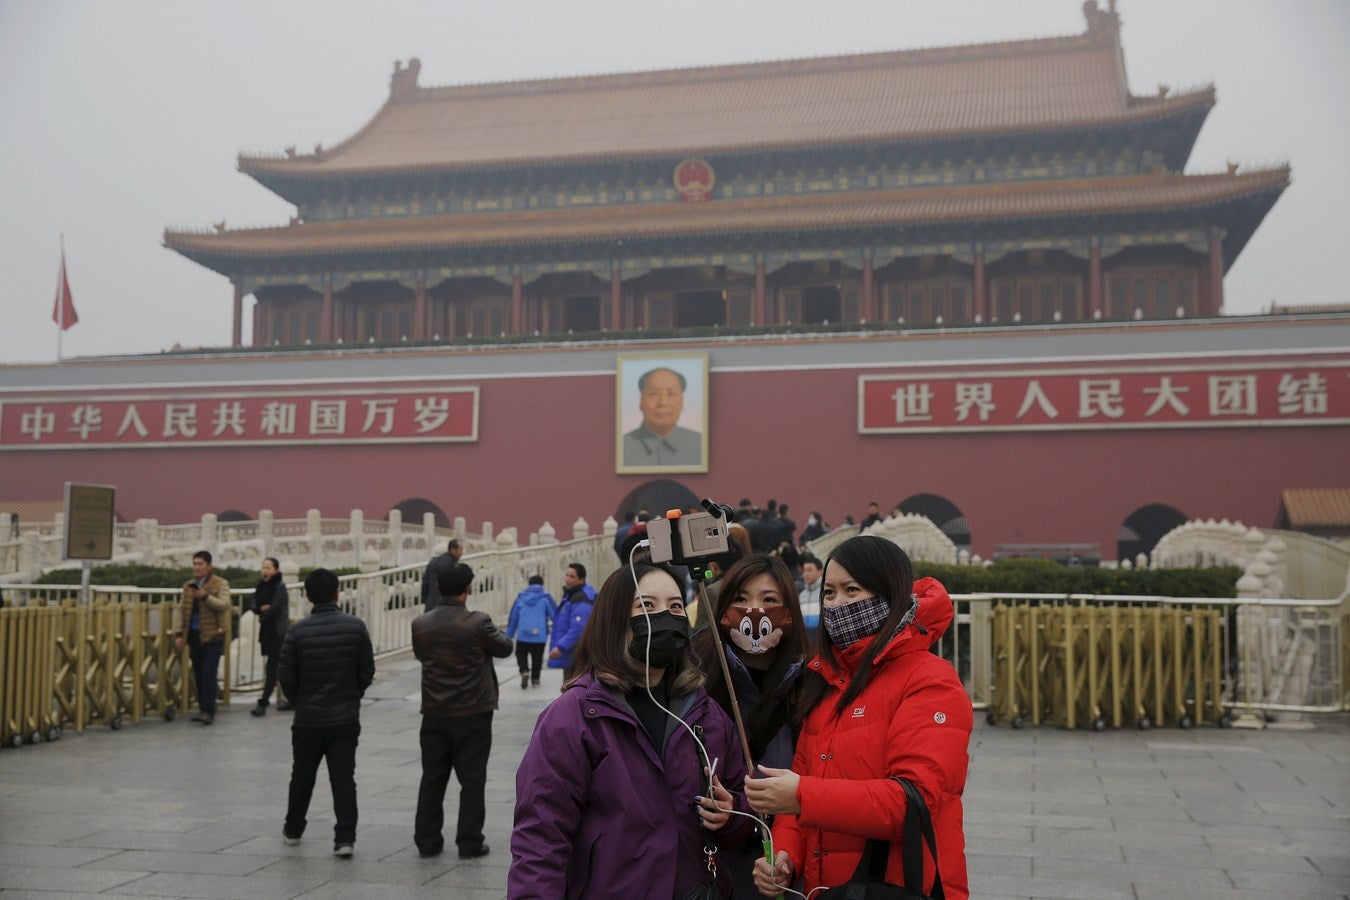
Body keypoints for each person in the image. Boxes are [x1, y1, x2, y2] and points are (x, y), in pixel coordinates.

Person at [745, 536, 972, 898]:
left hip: (900, 887)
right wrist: (786, 858)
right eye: (829, 593)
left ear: (891, 594)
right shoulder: (826, 681)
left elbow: (912, 803)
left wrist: (803, 796)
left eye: (852, 590)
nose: (837, 604)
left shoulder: (930, 680)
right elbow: (800, 792)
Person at [509, 562, 753, 898]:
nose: (664, 616)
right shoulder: (575, 716)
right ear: (615, 619)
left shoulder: (706, 714)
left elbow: (744, 807)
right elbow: (539, 839)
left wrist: (730, 815)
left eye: (675, 606)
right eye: (646, 606)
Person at [689, 554, 807, 898]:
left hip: (788, 849)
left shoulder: (812, 679)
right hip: (716, 856)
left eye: (769, 599)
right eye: (741, 599)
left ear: (789, 610)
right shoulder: (696, 675)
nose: (754, 610)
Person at [412, 563, 514, 859]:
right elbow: (505, 647)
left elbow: (422, 655)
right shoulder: (478, 622)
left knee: (432, 777)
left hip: (434, 711)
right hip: (473, 711)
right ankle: (469, 842)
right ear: (467, 588)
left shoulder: (420, 623)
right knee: (472, 779)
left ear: (438, 588)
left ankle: (427, 841)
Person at [278, 568, 376, 858]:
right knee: (344, 778)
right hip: (345, 717)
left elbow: (286, 676)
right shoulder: (356, 627)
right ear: (337, 593)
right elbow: (366, 671)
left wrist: (300, 702)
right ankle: (345, 838)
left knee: (302, 775)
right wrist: (352, 695)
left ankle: (293, 829)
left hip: (307, 718)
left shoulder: (297, 631)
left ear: (307, 595)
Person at [175, 550, 231, 726]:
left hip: (213, 635)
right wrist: (179, 634)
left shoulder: (220, 583)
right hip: (194, 635)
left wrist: (205, 597)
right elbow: (181, 611)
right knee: (198, 673)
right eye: (195, 564)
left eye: (200, 564)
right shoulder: (188, 586)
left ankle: (208, 710)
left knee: (208, 672)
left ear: (209, 566)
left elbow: (224, 605)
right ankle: (203, 708)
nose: (197, 567)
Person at [621, 366, 703, 467]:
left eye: (671, 394)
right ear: (641, 402)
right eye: (653, 394)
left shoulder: (701, 445)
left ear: (682, 403)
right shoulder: (621, 448)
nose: (663, 402)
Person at [250, 556, 290, 716]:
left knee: (273, 667)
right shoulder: (261, 586)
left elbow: (275, 608)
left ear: (276, 570)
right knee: (277, 667)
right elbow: (254, 605)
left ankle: (264, 702)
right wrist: (262, 609)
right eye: (263, 567)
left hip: (277, 632)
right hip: (267, 631)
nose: (265, 571)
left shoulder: (279, 587)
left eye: (268, 568)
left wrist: (264, 609)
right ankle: (291, 698)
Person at [547, 562, 595, 680]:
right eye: (567, 575)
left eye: (572, 576)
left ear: (581, 580)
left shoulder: (581, 599)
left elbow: (578, 629)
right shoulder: (571, 596)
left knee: (571, 689)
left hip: (576, 655)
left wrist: (560, 647)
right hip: (571, 655)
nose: (567, 579)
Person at [506, 574, 555, 689]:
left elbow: (514, 617)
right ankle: (535, 680)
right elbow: (555, 615)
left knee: (520, 654)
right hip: (540, 636)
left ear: (529, 585)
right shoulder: (546, 598)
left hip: (523, 635)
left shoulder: (521, 597)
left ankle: (524, 671)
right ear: (542, 585)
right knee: (537, 658)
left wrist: (509, 635)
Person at [422, 539, 463, 612]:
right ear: (453, 550)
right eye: (461, 550)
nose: (462, 553)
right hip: (446, 607)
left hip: (430, 604)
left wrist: (425, 600)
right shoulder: (453, 565)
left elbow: (425, 582)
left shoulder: (432, 562)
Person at [796, 554, 824, 631]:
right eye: (804, 571)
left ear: (820, 571)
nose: (806, 574)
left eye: (809, 570)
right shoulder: (801, 595)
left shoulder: (826, 592)